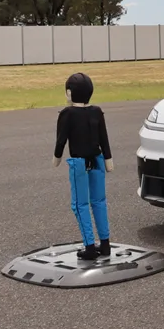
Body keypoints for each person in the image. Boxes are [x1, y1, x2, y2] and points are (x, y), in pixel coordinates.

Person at [52, 73, 114, 260]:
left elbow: (61, 139)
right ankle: (105, 244)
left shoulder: (67, 114)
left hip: (79, 163)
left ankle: (89, 246)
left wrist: (56, 158)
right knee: (99, 201)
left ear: (69, 93)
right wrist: (109, 160)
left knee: (80, 204)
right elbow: (104, 138)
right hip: (98, 160)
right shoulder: (97, 111)